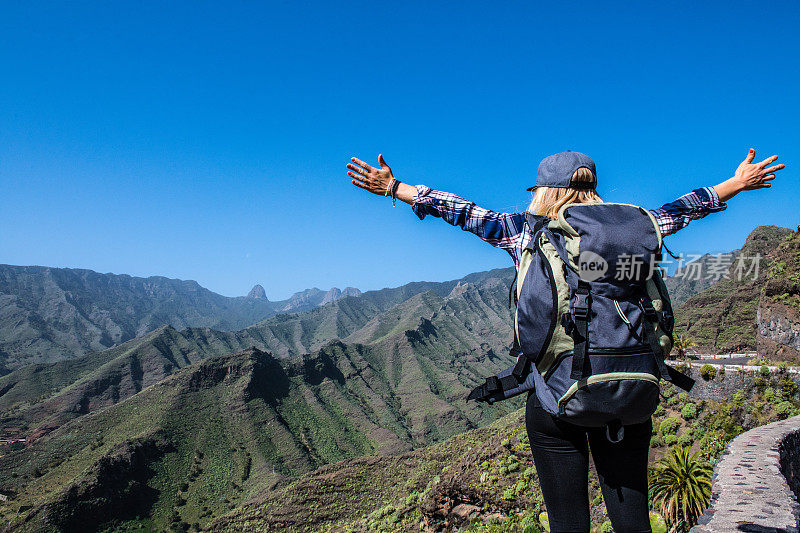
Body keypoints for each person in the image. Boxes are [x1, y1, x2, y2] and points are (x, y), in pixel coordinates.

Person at [346, 149, 785, 533]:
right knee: (632, 520)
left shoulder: (526, 230)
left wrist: (395, 188)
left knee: (569, 523)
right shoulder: (635, 231)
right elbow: (682, 209)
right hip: (630, 393)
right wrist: (736, 183)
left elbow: (462, 210)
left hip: (558, 397)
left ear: (543, 191)